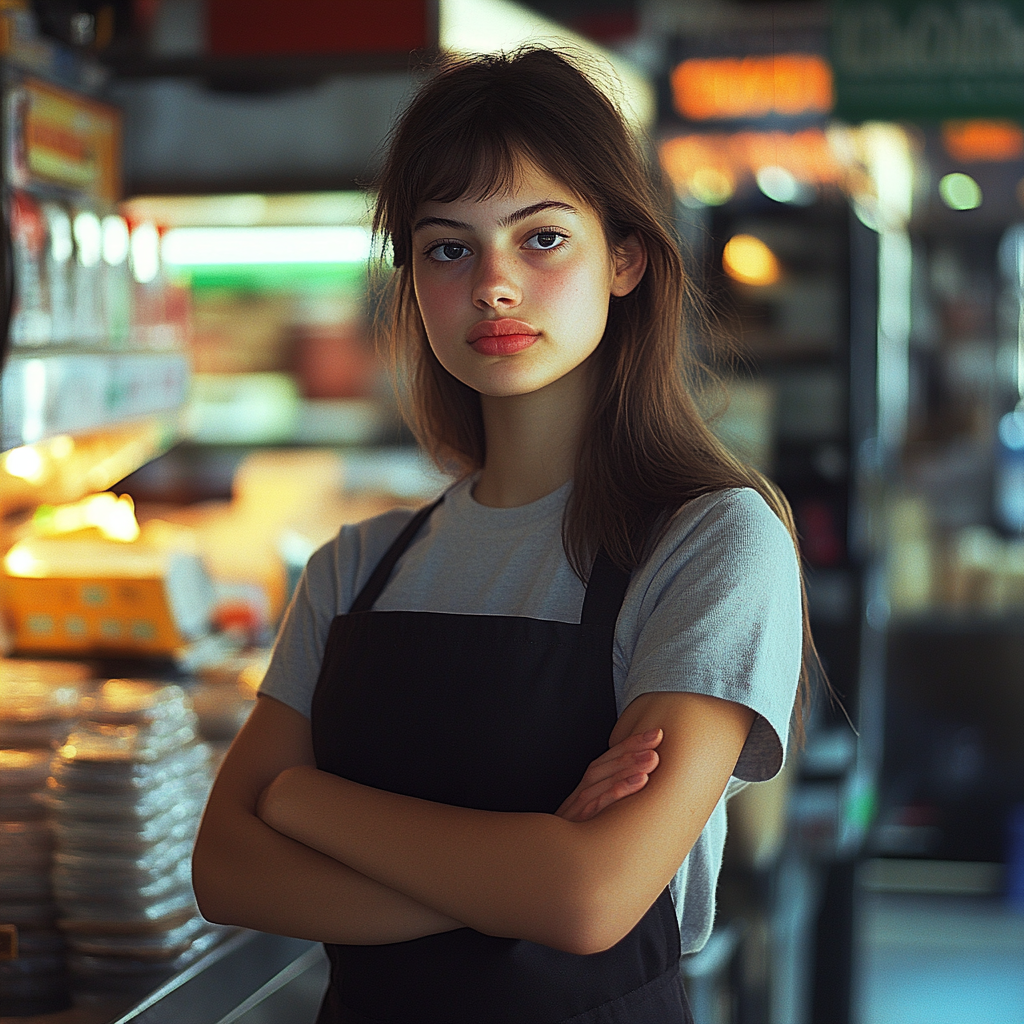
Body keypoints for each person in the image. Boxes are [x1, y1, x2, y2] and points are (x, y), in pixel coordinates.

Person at [192, 47, 806, 1024]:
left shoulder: (714, 542)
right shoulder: (353, 567)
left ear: (624, 256)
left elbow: (590, 895)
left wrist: (306, 803)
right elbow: (225, 869)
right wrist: (517, 868)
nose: (493, 285)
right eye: (448, 247)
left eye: (541, 238)